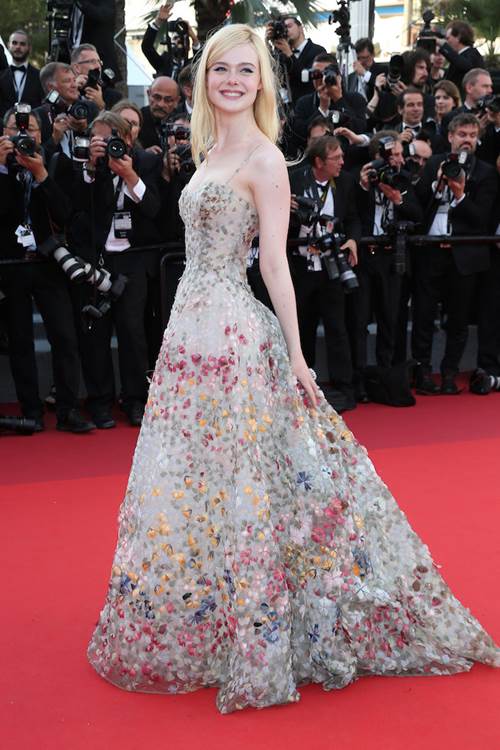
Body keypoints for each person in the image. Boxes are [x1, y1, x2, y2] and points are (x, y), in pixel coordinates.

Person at [87, 23, 500, 714]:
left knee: (249, 481)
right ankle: (210, 609)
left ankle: (264, 627)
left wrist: (298, 358)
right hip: (188, 333)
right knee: (197, 477)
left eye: (246, 71)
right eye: (222, 69)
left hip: (235, 337)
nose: (233, 81)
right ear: (205, 77)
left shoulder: (266, 161)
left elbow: (274, 263)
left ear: (263, 83)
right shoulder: (208, 147)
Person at [0, 107, 94, 433]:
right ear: (5, 133)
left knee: (65, 337)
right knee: (21, 342)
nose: (25, 135)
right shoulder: (0, 167)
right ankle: (31, 412)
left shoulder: (55, 163)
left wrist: (41, 175)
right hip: (12, 266)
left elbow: (66, 213)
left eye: (32, 129)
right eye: (17, 128)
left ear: (42, 134)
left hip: (50, 263)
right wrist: (1, 168)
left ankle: (68, 409)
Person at [413, 113, 497, 395]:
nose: (467, 140)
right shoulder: (435, 164)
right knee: (424, 315)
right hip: (432, 251)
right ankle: (423, 372)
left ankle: (449, 374)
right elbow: (418, 206)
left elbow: (482, 219)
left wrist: (460, 195)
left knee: (458, 319)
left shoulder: (485, 172)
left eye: (472, 136)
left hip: (465, 256)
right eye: (462, 134)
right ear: (450, 136)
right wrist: (437, 188)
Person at [141, 2, 201, 80]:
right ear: (169, 42)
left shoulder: (191, 65)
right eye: (175, 38)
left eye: (182, 39)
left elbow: (201, 59)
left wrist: (194, 37)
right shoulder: (162, 63)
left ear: (189, 46)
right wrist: (158, 21)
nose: (179, 40)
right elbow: (146, 47)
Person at [0, 30, 44, 117]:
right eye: (14, 43)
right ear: (9, 45)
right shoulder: (1, 76)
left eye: (22, 44)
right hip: (4, 128)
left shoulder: (39, 76)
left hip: (32, 127)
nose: (18, 47)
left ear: (29, 48)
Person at [437, 21, 485, 91]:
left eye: (448, 38)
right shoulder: (458, 57)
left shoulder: (472, 54)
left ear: (458, 37)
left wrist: (444, 47)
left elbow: (464, 66)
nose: (446, 42)